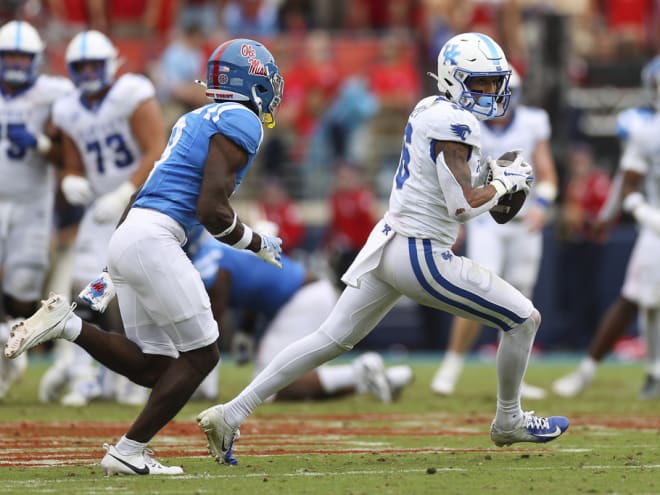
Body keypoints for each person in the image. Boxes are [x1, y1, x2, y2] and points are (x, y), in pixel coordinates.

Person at [195, 32, 569, 466]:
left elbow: (472, 196)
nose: (490, 92)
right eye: (479, 83)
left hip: (388, 245)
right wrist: (505, 182)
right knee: (524, 319)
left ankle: (230, 413)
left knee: (328, 340)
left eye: (493, 83)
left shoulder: (430, 108)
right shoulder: (455, 122)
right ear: (453, 79)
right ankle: (509, 420)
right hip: (421, 252)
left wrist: (499, 186)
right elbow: (463, 205)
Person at [4, 38, 285, 475]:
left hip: (131, 231)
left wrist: (110, 270)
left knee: (155, 366)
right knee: (203, 356)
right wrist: (256, 241)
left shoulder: (191, 119)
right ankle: (128, 450)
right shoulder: (242, 119)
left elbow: (141, 194)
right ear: (250, 81)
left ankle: (70, 326)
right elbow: (210, 212)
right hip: (155, 237)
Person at [37, 30, 167, 408]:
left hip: (142, 203)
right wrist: (71, 179)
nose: (90, 72)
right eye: (82, 66)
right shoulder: (67, 109)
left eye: (96, 64)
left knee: (138, 291)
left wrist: (125, 190)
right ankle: (85, 372)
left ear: (111, 64)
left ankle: (142, 370)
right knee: (87, 292)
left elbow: (157, 147)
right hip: (100, 211)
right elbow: (72, 163)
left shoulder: (131, 92)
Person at [430, 68, 558, 400]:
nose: (493, 95)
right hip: (486, 219)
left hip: (524, 222)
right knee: (478, 287)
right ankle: (452, 365)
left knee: (522, 300)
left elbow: (547, 172)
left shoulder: (532, 122)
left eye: (498, 88)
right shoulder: (467, 126)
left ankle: (515, 380)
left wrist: (542, 204)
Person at [185, 223, 413, 403]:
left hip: (302, 299)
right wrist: (245, 330)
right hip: (308, 294)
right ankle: (377, 378)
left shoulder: (209, 261)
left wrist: (206, 386)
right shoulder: (221, 249)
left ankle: (360, 373)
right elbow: (254, 286)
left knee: (268, 387)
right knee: (280, 379)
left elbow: (209, 327)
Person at [553, 56, 660, 399]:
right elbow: (625, 182)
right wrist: (635, 212)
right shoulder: (645, 129)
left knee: (645, 300)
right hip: (657, 224)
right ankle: (591, 372)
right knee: (636, 299)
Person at [0, 20, 74, 400]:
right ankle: (6, 345)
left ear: (36, 60)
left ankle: (11, 348)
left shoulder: (54, 92)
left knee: (24, 283)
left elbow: (75, 136)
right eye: (8, 55)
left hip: (32, 200)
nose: (14, 63)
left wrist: (43, 144)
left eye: (21, 56)